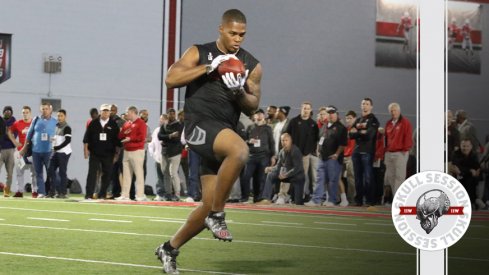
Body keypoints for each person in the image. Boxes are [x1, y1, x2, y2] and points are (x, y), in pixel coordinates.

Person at [155, 9, 262, 274]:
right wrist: (209, 68)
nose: (238, 39)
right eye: (233, 33)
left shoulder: (252, 63)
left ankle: (169, 248)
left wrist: (239, 91)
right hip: (198, 125)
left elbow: (253, 106)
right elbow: (170, 79)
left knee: (207, 204)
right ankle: (218, 215)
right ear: (221, 29)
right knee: (239, 151)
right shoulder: (199, 52)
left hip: (221, 131)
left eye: (242, 34)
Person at [305, 106, 347, 207]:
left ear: (337, 114)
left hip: (333, 159)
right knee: (319, 179)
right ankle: (316, 200)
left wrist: (336, 154)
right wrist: (318, 150)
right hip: (322, 158)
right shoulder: (324, 126)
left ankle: (332, 200)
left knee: (332, 180)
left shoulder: (341, 128)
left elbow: (343, 144)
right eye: (329, 113)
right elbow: (320, 140)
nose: (331, 115)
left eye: (332, 113)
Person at [83, 104, 121, 200]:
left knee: (107, 175)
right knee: (92, 174)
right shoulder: (93, 123)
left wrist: (116, 155)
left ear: (109, 112)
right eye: (103, 111)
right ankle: (89, 194)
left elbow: (117, 141)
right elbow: (86, 138)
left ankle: (102, 194)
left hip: (108, 154)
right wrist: (86, 151)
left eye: (107, 111)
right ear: (100, 112)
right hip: (95, 153)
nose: (105, 112)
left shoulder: (113, 124)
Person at [20, 103, 57, 198]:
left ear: (50, 110)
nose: (44, 110)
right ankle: (41, 192)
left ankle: (52, 191)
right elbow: (29, 134)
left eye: (46, 109)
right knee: (38, 173)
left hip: (49, 151)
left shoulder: (55, 121)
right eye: (43, 109)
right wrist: (24, 147)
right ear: (41, 110)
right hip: (36, 151)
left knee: (51, 172)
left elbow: (58, 135)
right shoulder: (36, 119)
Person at [284, 101, 319, 201]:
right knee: (287, 174)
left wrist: (309, 151)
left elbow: (315, 139)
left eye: (308, 108)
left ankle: (298, 196)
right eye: (304, 108)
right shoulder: (293, 121)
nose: (306, 110)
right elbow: (287, 135)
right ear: (301, 109)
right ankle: (283, 196)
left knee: (301, 177)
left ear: (311, 110)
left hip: (305, 155)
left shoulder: (313, 124)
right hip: (292, 154)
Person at [349, 98, 379, 206]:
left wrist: (358, 132)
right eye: (363, 104)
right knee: (357, 177)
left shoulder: (373, 120)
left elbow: (369, 135)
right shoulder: (359, 120)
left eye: (367, 104)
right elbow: (350, 134)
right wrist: (361, 132)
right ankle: (358, 200)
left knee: (367, 177)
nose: (364, 106)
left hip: (367, 152)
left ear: (371, 106)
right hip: (356, 152)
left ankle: (370, 200)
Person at [240, 109, 274, 203]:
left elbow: (272, 142)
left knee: (260, 179)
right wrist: (248, 142)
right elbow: (244, 140)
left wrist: (273, 156)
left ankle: (257, 198)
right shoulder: (250, 127)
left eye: (261, 114)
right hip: (251, 156)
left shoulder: (268, 128)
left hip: (263, 156)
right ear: (254, 116)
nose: (259, 116)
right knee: (246, 177)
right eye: (257, 114)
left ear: (263, 116)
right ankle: (245, 197)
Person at [263, 133, 305, 205]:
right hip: (286, 175)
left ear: (290, 141)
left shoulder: (295, 151)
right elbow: (278, 167)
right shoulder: (281, 151)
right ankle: (266, 198)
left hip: (297, 176)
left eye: (286, 140)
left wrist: (286, 175)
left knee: (298, 203)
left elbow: (297, 168)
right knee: (270, 175)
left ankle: (292, 198)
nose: (284, 142)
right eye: (282, 140)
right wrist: (270, 168)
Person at [116, 106, 147, 201]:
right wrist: (124, 132)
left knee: (138, 173)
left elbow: (142, 137)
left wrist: (130, 138)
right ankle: (125, 195)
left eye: (127, 112)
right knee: (126, 174)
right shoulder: (126, 123)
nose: (126, 114)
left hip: (137, 151)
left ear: (133, 112)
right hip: (127, 151)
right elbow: (120, 136)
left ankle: (140, 195)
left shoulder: (141, 123)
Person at [383, 103, 413, 199]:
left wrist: (405, 149)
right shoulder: (388, 123)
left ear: (399, 111)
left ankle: (398, 200)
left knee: (399, 177)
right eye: (391, 110)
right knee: (391, 177)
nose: (393, 112)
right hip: (389, 153)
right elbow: (386, 138)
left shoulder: (405, 122)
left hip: (400, 153)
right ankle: (397, 197)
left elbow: (408, 136)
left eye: (395, 110)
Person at [8, 106, 36, 197]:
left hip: (33, 152)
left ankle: (34, 191)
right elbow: (9, 131)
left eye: (27, 112)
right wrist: (15, 142)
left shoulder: (35, 122)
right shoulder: (17, 123)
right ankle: (20, 191)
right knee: (19, 172)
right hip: (21, 152)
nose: (25, 114)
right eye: (23, 112)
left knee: (34, 173)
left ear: (30, 113)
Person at [158, 108, 184, 201]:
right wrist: (170, 136)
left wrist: (166, 138)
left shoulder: (179, 125)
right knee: (165, 173)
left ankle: (177, 194)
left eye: (173, 114)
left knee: (173, 173)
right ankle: (168, 194)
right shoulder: (164, 125)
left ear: (175, 115)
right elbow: (159, 136)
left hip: (175, 152)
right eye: (170, 113)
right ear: (167, 114)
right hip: (165, 152)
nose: (172, 115)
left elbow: (177, 138)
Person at [46, 109, 72, 198]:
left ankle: (63, 193)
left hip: (64, 152)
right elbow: (57, 138)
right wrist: (53, 140)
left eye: (61, 116)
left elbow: (68, 141)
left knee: (62, 172)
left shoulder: (67, 127)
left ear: (65, 117)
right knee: (50, 170)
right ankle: (52, 192)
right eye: (58, 116)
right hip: (56, 152)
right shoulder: (56, 126)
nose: (59, 117)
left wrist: (57, 147)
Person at [0, 106, 16, 197]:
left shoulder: (14, 123)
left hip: (10, 150)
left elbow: (13, 137)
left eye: (9, 111)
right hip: (1, 149)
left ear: (11, 113)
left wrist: (5, 135)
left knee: (9, 173)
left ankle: (7, 190)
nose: (7, 112)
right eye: (5, 111)